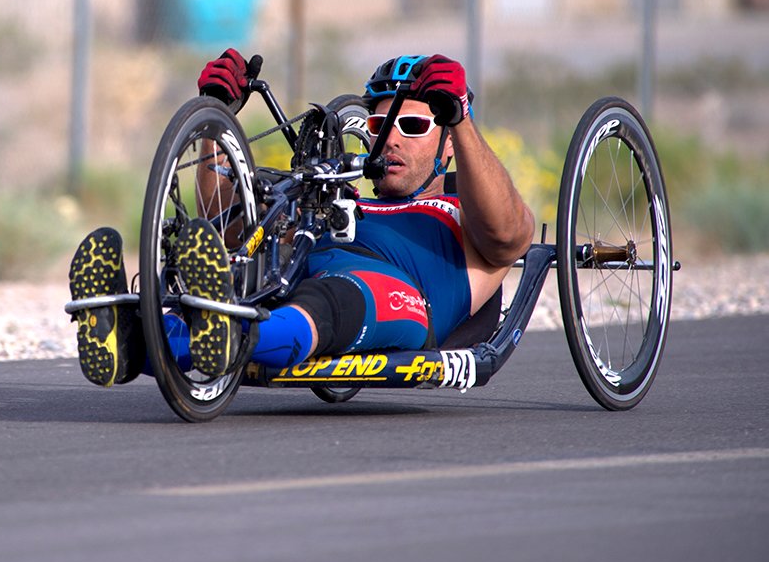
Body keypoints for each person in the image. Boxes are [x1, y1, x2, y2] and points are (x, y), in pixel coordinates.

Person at [68, 49, 534, 386]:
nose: (391, 139)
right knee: (250, 263)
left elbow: (509, 235)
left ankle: (210, 336)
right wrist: (215, 115)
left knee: (328, 296)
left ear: (447, 143)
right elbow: (229, 222)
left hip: (396, 297)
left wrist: (461, 117)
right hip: (298, 272)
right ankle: (128, 339)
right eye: (379, 127)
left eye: (411, 127)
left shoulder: (463, 209)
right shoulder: (342, 196)